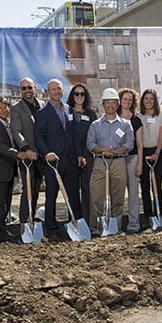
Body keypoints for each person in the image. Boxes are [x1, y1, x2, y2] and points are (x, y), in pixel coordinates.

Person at [34, 79, 86, 242]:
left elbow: (74, 135)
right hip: (52, 162)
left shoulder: (70, 110)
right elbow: (39, 137)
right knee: (51, 197)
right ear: (48, 92)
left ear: (63, 91)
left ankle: (76, 224)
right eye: (53, 89)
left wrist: (79, 154)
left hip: (70, 160)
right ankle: (51, 230)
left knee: (73, 195)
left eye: (59, 89)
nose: (56, 91)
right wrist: (46, 153)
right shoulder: (42, 113)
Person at [86, 88, 134, 236]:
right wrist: (102, 150)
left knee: (118, 196)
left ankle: (115, 227)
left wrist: (115, 151)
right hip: (100, 163)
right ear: (103, 104)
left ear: (118, 104)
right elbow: (90, 144)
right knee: (96, 197)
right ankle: (96, 228)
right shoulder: (95, 125)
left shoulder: (126, 124)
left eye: (114, 102)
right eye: (107, 102)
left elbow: (129, 144)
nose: (111, 105)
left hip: (119, 162)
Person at [10, 77, 44, 232]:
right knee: (28, 189)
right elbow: (16, 132)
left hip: (42, 155)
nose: (27, 91)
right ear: (20, 90)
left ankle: (33, 216)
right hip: (28, 156)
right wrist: (26, 149)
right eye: (24, 88)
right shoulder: (16, 108)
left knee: (37, 188)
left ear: (34, 88)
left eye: (29, 87)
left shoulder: (42, 105)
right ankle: (24, 222)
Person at [0, 98, 25, 243]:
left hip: (9, 171)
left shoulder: (8, 125)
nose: (4, 110)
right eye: (0, 108)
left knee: (7, 205)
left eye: (6, 107)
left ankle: (4, 233)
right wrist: (17, 154)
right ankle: (0, 236)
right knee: (0, 206)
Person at [134, 88, 162, 223]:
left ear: (155, 101)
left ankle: (160, 213)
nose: (149, 101)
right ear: (142, 101)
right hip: (142, 152)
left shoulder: (161, 116)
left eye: (151, 99)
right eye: (146, 99)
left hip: (157, 152)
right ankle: (148, 216)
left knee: (156, 185)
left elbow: (161, 136)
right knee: (145, 186)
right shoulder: (138, 116)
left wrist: (157, 153)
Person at [66, 83, 97, 225]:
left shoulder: (90, 113)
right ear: (72, 96)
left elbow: (94, 135)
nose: (79, 97)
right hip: (71, 156)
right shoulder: (66, 112)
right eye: (76, 94)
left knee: (87, 189)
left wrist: (85, 154)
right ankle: (74, 221)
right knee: (72, 190)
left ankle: (87, 221)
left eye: (82, 94)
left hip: (88, 155)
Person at [117, 87, 143, 232]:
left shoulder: (136, 120)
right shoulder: (114, 117)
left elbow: (139, 144)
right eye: (124, 99)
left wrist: (139, 163)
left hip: (132, 158)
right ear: (120, 100)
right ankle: (117, 224)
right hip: (117, 159)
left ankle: (134, 224)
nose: (127, 102)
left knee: (133, 193)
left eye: (130, 100)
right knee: (117, 193)